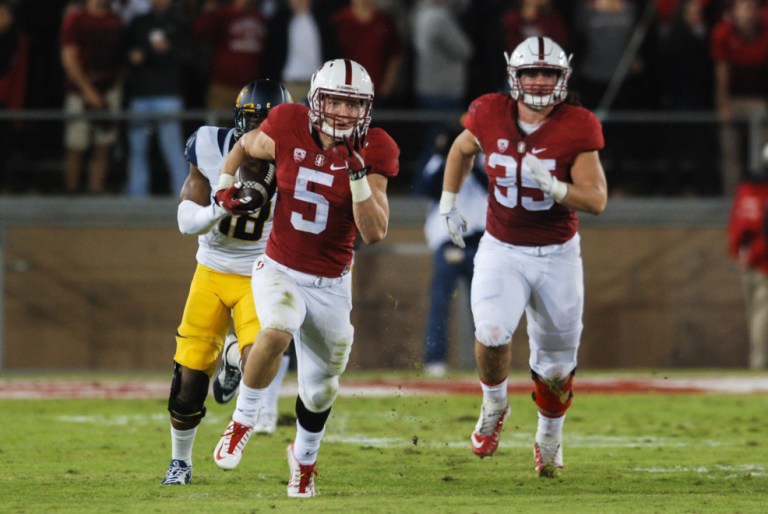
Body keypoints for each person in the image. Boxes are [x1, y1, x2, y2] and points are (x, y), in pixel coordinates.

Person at [211, 58, 399, 498]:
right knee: (277, 330)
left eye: (352, 105)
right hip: (279, 266)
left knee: (321, 390)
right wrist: (224, 184)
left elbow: (373, 232)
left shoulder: (376, 149)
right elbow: (244, 146)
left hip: (332, 282)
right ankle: (242, 421)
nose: (342, 113)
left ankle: (304, 460)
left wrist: (356, 176)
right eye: (334, 101)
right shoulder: (288, 123)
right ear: (316, 101)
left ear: (366, 110)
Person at [440, 36, 607, 477]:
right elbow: (461, 148)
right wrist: (448, 202)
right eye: (529, 72)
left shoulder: (578, 124)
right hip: (502, 247)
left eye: (546, 73)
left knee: (555, 364)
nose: (536, 81)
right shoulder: (488, 111)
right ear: (513, 76)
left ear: (561, 78)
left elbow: (596, 199)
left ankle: (549, 439)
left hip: (557, 254)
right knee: (492, 330)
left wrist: (556, 189)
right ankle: (494, 405)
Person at [160, 78, 292, 486]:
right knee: (189, 378)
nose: (258, 131)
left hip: (259, 271)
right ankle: (180, 462)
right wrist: (220, 205)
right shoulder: (208, 144)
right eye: (253, 121)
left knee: (263, 361)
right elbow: (186, 221)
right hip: (213, 270)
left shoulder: (294, 158)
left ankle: (236, 359)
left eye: (267, 122)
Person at [417, 122, 487, 377]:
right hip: (447, 243)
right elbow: (430, 188)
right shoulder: (437, 162)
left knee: (482, 306)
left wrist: (472, 158)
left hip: (478, 243)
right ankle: (435, 359)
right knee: (440, 304)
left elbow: (491, 185)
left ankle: (488, 359)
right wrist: (447, 155)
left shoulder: (482, 163)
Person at [124, 0, 190, 197]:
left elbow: (189, 57)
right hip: (141, 95)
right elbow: (124, 51)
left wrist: (168, 49)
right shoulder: (139, 22)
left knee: (172, 148)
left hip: (168, 95)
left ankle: (183, 197)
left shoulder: (179, 23)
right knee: (137, 149)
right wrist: (134, 56)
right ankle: (137, 197)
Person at [59, 0, 123, 195]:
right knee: (76, 144)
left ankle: (96, 191)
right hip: (79, 91)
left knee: (103, 144)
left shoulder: (115, 20)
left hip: (108, 91)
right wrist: (87, 91)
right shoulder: (76, 19)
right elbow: (69, 57)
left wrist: (115, 88)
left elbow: (121, 58)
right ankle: (71, 192)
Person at [711, 0, 768, 196]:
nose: (747, 13)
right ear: (734, 11)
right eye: (743, 8)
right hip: (733, 100)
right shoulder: (724, 32)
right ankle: (732, 199)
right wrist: (723, 104)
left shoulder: (764, 32)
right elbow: (721, 71)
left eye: (752, 8)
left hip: (759, 101)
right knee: (730, 152)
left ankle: (761, 198)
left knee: (763, 152)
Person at [192, 0, 268, 123]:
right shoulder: (223, 14)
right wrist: (209, 11)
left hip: (251, 89)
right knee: (218, 131)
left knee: (250, 134)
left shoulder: (261, 17)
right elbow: (200, 32)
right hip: (223, 85)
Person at [727, 174, 768, 370]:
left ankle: (758, 362)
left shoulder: (745, 191)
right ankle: (759, 363)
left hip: (748, 261)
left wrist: (738, 253)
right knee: (760, 316)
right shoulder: (757, 193)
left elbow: (736, 225)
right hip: (762, 263)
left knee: (756, 315)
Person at [331, 0, 403, 106]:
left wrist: (387, 86)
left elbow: (395, 55)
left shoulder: (384, 21)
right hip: (345, 92)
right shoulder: (340, 20)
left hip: (377, 93)